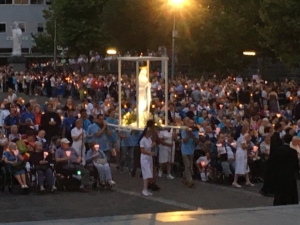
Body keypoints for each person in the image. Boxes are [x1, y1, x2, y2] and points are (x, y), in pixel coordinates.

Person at [271, 134, 299, 206]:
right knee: (290, 188)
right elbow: (295, 163)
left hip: (280, 172)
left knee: (280, 188)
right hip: (290, 173)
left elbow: (274, 161)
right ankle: (291, 200)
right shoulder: (293, 152)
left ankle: (279, 200)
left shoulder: (278, 150)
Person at [260, 122, 284, 197]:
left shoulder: (275, 136)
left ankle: (267, 190)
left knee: (271, 175)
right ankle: (267, 190)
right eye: (282, 126)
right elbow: (276, 149)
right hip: (274, 159)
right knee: (271, 176)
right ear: (279, 127)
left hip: (273, 158)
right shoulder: (276, 136)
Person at [181, 119, 199, 187]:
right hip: (185, 150)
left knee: (189, 167)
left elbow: (197, 141)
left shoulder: (195, 132)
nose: (191, 125)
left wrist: (192, 135)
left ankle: (184, 179)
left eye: (192, 124)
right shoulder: (184, 131)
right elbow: (184, 141)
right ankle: (190, 181)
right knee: (187, 165)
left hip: (191, 151)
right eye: (190, 124)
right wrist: (188, 134)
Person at [140, 126, 156, 196]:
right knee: (146, 173)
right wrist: (150, 153)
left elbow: (149, 147)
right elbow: (142, 150)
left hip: (149, 158)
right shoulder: (142, 140)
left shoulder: (149, 139)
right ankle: (144, 189)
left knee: (149, 174)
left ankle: (146, 189)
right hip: (144, 158)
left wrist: (153, 145)